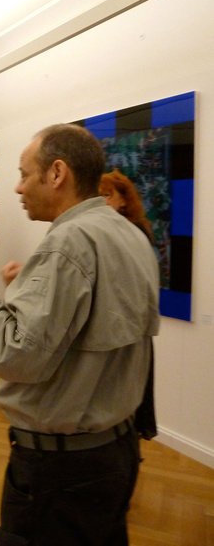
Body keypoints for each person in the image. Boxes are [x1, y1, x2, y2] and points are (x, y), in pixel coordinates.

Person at [0, 123, 159, 545]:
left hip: (62, 472)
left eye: (24, 174)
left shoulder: (69, 243)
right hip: (117, 454)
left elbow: (11, 354)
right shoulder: (129, 234)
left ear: (57, 173)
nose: (17, 187)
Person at [100, 169, 158, 440]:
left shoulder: (134, 234)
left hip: (127, 331)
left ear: (123, 200)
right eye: (97, 196)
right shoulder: (106, 232)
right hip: (114, 329)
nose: (102, 202)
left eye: (107, 196)